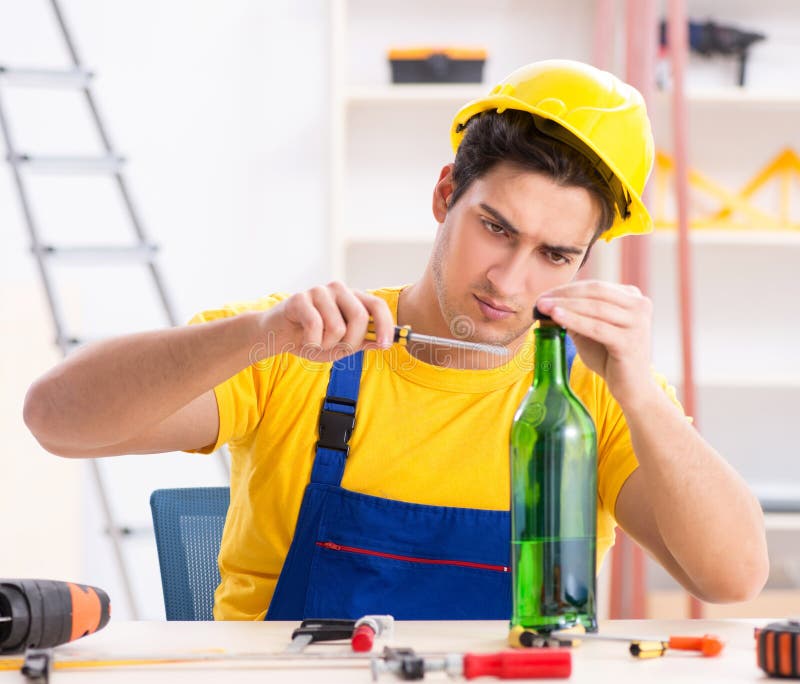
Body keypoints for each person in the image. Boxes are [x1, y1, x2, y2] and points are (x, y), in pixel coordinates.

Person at [23, 60, 768, 621]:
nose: (510, 280)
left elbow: (731, 578)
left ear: (585, 260)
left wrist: (639, 390)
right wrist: (257, 336)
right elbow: (55, 419)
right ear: (447, 195)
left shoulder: (594, 390)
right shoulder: (298, 346)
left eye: (554, 255)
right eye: (496, 228)